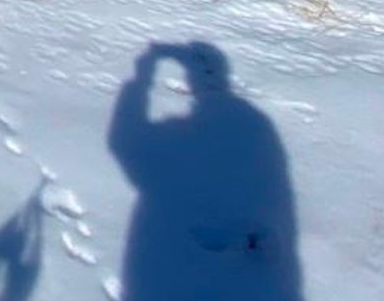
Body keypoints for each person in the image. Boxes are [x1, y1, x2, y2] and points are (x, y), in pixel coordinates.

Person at [108, 42, 303, 301]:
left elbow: (125, 144)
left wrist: (142, 78)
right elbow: (277, 191)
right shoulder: (255, 123)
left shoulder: (182, 135)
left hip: (172, 255)